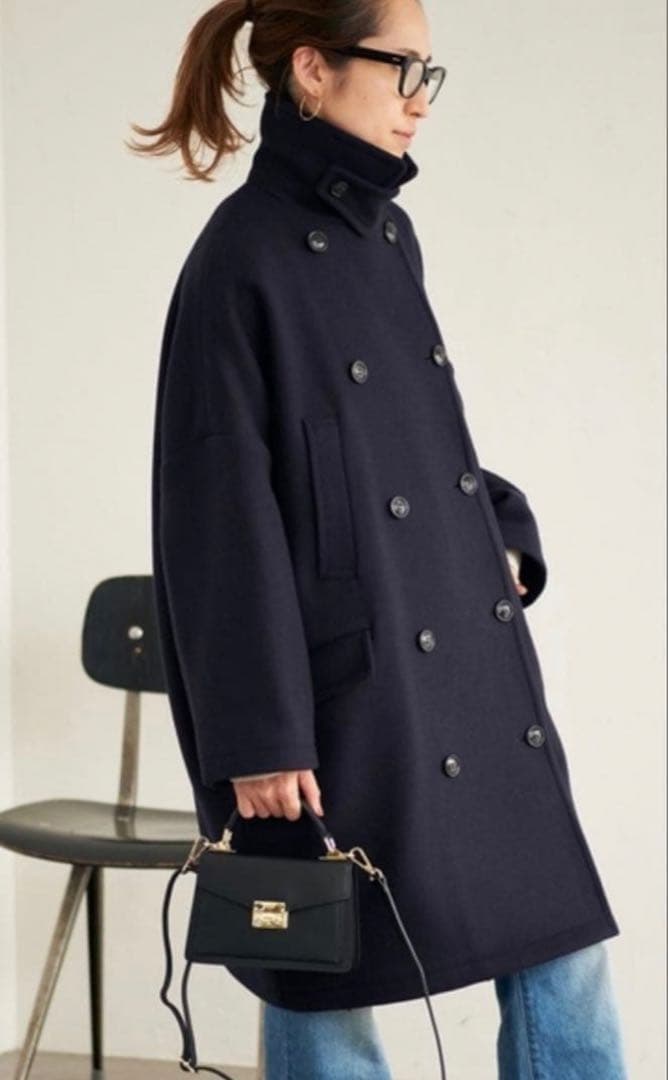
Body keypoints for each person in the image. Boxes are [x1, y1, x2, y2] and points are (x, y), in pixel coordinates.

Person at [130, 0, 629, 1076]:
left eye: (428, 73)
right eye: (401, 66)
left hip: (458, 649)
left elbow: (419, 438)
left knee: (558, 936)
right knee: (318, 951)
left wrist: (500, 536)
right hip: (337, 685)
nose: (420, 99)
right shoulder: (238, 261)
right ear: (312, 70)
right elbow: (216, 516)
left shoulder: (388, 234)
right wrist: (257, 736)